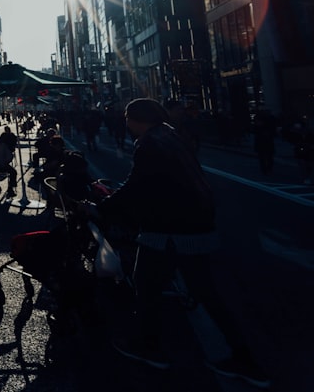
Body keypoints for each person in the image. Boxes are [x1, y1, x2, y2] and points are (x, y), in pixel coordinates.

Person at [95, 98, 270, 387]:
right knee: (207, 294)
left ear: (139, 119)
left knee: (146, 285)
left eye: (128, 117)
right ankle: (246, 359)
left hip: (167, 230)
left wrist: (103, 206)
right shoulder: (171, 135)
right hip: (197, 226)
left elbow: (137, 185)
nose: (125, 123)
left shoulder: (149, 144)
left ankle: (149, 347)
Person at [252, 109, 277, 176]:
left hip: (264, 140)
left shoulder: (260, 119)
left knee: (265, 156)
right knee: (266, 156)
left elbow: (255, 129)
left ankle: (266, 169)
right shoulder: (269, 119)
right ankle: (267, 168)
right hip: (265, 140)